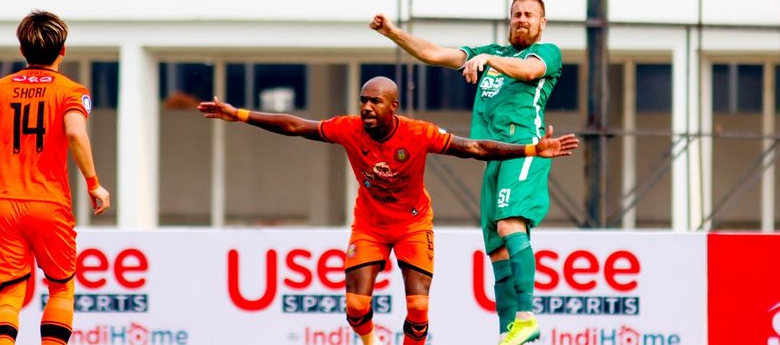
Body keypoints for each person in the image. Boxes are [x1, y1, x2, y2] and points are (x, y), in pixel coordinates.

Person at [198, 76, 576, 345]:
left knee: (417, 311)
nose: (365, 107)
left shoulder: (417, 133)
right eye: (363, 100)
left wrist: (529, 150)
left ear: (393, 106)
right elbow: (298, 126)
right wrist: (240, 114)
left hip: (413, 225)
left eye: (374, 101)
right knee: (356, 305)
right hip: (370, 226)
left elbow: (473, 148)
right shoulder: (348, 129)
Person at [370, 0, 561, 345]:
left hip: (524, 151)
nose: (521, 19)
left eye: (529, 15)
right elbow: (435, 53)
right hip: (492, 159)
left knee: (509, 223)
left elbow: (529, 69)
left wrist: (488, 58)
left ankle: (527, 317)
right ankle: (510, 334)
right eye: (516, 13)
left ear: (542, 23)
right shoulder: (491, 53)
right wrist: (394, 32)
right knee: (497, 249)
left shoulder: (546, 53)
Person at [0, 11, 111, 345]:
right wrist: (94, 184)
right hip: (48, 201)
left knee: (10, 291)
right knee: (60, 287)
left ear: (21, 49)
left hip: (1, 201)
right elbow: (76, 133)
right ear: (63, 50)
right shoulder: (71, 91)